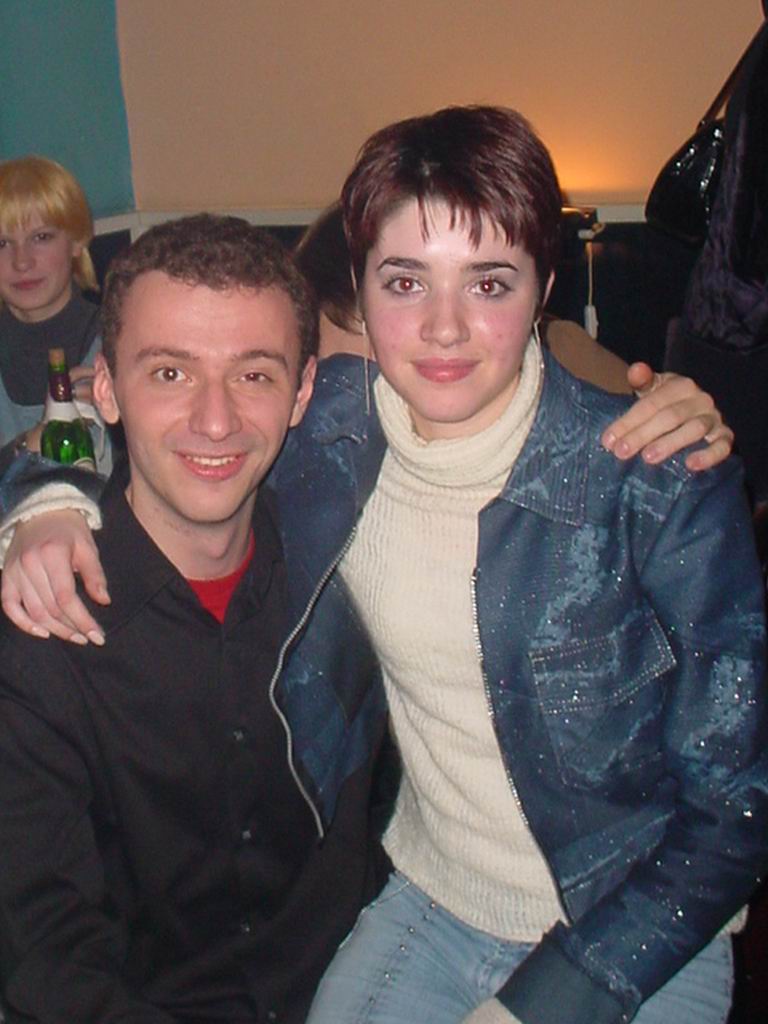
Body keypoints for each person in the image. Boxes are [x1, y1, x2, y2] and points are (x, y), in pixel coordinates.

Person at [0, 107, 762, 1024]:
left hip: (639, 922)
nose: (444, 328)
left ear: (545, 287)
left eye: (489, 282)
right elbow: (128, 429)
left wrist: (549, 1001)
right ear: (360, 293)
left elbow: (738, 805)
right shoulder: (335, 435)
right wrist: (40, 500)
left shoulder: (657, 479)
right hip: (435, 906)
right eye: (405, 281)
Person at [0, 213, 391, 1024]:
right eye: (170, 373)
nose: (216, 421)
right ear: (106, 390)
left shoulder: (352, 561)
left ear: (302, 393)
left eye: (254, 375)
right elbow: (46, 948)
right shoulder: (40, 628)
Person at [0, 156, 108, 468]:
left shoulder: (122, 342)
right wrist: (31, 443)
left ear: (77, 241)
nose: (22, 262)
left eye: (41, 237)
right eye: (2, 243)